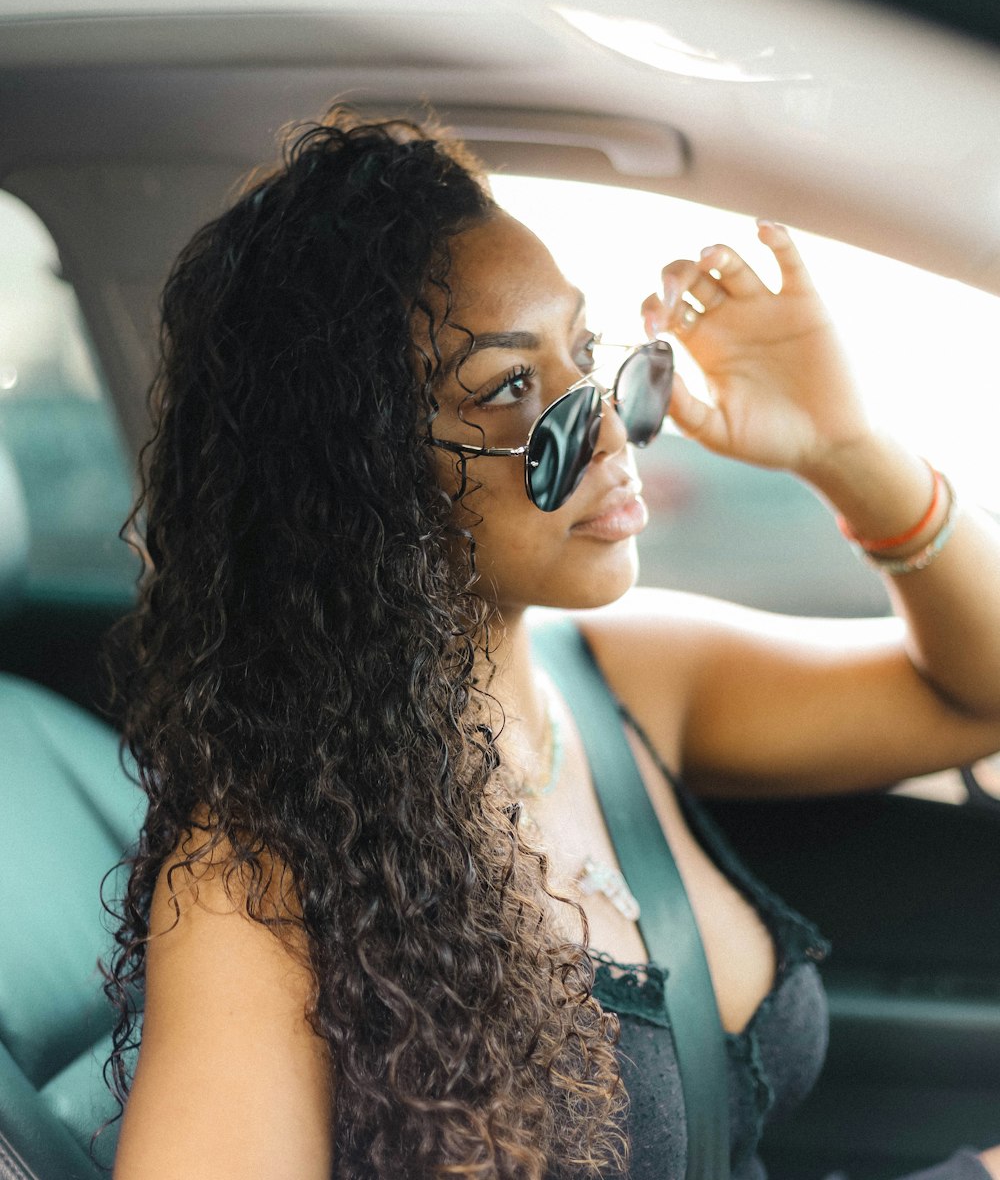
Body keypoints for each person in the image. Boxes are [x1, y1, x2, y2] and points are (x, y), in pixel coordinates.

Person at [103, 107, 1000, 1180]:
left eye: (586, 357)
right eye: (511, 389)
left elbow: (978, 692)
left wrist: (849, 452)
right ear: (353, 472)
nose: (611, 428)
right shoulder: (255, 877)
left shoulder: (621, 674)